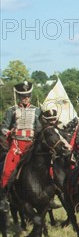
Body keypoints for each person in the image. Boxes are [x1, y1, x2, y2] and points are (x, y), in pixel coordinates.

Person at [0, 81, 42, 212]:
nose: (26, 98)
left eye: (28, 95)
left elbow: (39, 128)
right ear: (19, 96)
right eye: (23, 96)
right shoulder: (11, 110)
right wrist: (9, 132)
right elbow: (3, 128)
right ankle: (4, 198)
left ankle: (49, 196)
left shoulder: (36, 110)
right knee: (7, 171)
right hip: (17, 145)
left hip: (31, 145)